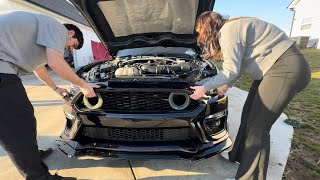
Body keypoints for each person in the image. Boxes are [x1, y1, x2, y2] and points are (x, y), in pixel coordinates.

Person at [190, 11, 310, 180]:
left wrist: (204, 87)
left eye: (199, 31)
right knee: (248, 114)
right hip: (273, 69)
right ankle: (239, 156)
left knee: (258, 126)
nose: (199, 35)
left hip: (285, 67)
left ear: (207, 27)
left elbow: (231, 69)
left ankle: (250, 176)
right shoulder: (233, 27)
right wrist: (226, 85)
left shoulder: (229, 30)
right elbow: (239, 66)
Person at [0, 11, 99, 180]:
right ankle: (38, 176)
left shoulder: (39, 35)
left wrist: (56, 89)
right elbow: (56, 62)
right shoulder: (56, 28)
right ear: (71, 32)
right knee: (18, 124)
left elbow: (39, 67)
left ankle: (30, 157)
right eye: (73, 45)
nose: (69, 49)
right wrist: (84, 85)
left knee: (20, 119)